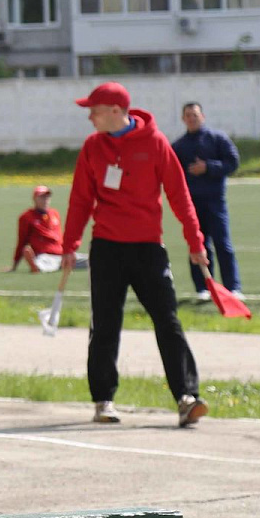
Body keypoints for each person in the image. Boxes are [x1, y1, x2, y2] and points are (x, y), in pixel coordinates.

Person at [62, 82, 210, 428]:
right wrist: (69, 245)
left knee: (168, 321)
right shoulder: (92, 147)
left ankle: (187, 398)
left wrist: (195, 241)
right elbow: (80, 199)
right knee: (105, 325)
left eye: (94, 110)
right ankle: (103, 401)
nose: (89, 117)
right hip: (107, 249)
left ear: (116, 111)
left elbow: (179, 195)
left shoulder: (155, 144)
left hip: (148, 248)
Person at [171, 102, 241, 300]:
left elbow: (233, 162)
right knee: (197, 245)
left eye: (195, 114)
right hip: (191, 204)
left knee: (223, 243)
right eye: (188, 115)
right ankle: (202, 288)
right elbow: (169, 171)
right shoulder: (179, 145)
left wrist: (208, 167)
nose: (192, 118)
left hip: (215, 201)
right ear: (183, 119)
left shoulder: (217, 139)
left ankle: (232, 287)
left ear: (203, 116)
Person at [4, 185, 76, 274]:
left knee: (90, 260)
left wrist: (68, 251)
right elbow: (22, 241)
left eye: (47, 197)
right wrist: (14, 265)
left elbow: (60, 236)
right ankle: (35, 266)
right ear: (34, 199)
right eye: (42, 197)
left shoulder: (54, 213)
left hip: (63, 254)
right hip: (45, 255)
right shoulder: (27, 217)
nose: (45, 200)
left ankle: (63, 264)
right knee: (44, 264)